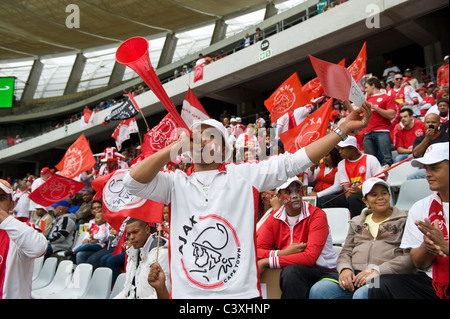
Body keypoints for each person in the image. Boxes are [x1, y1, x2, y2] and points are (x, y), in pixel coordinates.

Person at [123, 101, 371, 299]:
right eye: (195, 136)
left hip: (240, 296)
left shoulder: (243, 174)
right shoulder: (175, 182)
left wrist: (341, 130)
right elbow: (132, 182)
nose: (199, 139)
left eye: (209, 136)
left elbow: (295, 161)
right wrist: (172, 148)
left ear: (222, 150)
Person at [309, 178, 415, 299]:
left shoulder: (404, 220)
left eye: (384, 193)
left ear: (389, 196)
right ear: (365, 200)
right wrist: (345, 269)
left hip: (385, 276)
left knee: (363, 294)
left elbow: (409, 258)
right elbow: (346, 252)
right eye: (374, 195)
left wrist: (378, 270)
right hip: (356, 274)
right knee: (320, 289)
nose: (380, 197)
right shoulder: (357, 222)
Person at [369, 142, 449, 299]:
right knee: (377, 283)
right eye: (426, 169)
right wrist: (427, 246)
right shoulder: (420, 207)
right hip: (433, 282)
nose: (427, 174)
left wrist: (444, 246)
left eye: (435, 168)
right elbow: (419, 263)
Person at [257, 178, 338, 299]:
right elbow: (257, 250)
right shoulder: (274, 217)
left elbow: (310, 258)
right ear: (279, 197)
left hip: (323, 270)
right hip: (293, 269)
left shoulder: (317, 215)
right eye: (289, 192)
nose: (294, 196)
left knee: (291, 272)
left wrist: (266, 261)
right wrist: (283, 253)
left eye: (297, 191)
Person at [0, 179, 48, 298]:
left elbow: (38, 248)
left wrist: (3, 217)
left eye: (1, 198)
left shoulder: (23, 228)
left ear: (11, 204)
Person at [320, 136, 385, 217]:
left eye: (343, 149)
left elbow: (380, 182)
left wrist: (362, 191)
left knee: (353, 199)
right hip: (352, 196)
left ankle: (357, 224)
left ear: (352, 148)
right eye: (339, 149)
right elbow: (346, 187)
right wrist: (349, 193)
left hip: (369, 194)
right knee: (325, 201)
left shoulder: (370, 159)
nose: (340, 151)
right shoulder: (341, 164)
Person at [114, 218, 170, 299]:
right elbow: (127, 291)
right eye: (128, 234)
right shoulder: (132, 255)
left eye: (135, 232)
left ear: (147, 229)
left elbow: (164, 293)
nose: (131, 237)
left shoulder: (161, 254)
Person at [362, 77, 396, 166]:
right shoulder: (366, 101)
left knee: (387, 159)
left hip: (382, 131)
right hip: (367, 132)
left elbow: (391, 115)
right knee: (370, 162)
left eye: (366, 87)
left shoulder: (387, 98)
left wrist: (375, 108)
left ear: (373, 86)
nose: (365, 90)